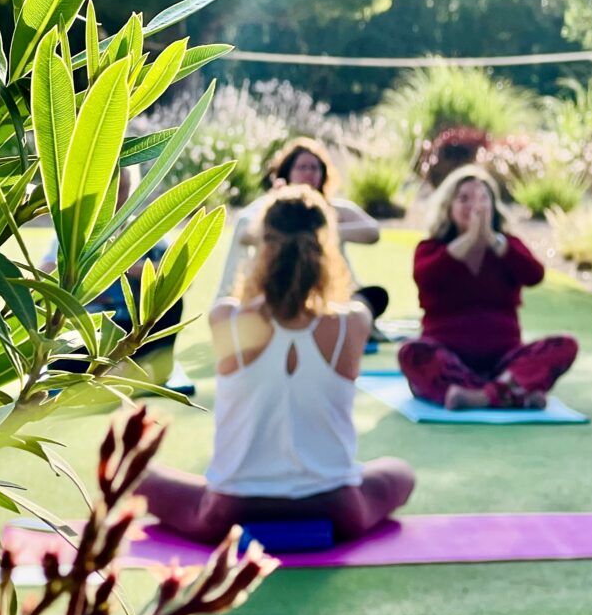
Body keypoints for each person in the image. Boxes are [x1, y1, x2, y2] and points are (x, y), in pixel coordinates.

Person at [139, 185, 415, 544]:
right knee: (400, 472)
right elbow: (359, 303)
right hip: (338, 507)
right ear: (325, 249)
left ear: (262, 247)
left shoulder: (227, 318)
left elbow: (261, 304)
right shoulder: (353, 323)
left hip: (229, 512)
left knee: (137, 476)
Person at [397, 166, 578, 410]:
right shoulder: (430, 248)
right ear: (448, 207)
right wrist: (471, 238)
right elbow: (427, 276)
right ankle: (512, 393)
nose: (476, 207)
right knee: (411, 353)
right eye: (464, 199)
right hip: (449, 357)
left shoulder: (508, 246)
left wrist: (492, 240)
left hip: (504, 360)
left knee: (565, 345)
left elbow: (534, 275)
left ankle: (482, 396)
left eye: (483, 199)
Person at [215, 138, 390, 325]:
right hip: (282, 286)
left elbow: (372, 232)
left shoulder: (333, 209)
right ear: (288, 172)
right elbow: (245, 233)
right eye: (302, 167)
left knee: (374, 297)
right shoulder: (273, 208)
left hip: (328, 290)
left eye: (315, 168)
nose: (309, 173)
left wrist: (325, 231)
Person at [40, 168, 182, 385]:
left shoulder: (144, 227)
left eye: (122, 189)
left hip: (134, 328)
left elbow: (176, 273)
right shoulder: (79, 229)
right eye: (110, 190)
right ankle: (111, 373)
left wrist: (120, 264)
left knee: (173, 300)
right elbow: (46, 272)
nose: (116, 198)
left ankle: (136, 369)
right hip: (89, 327)